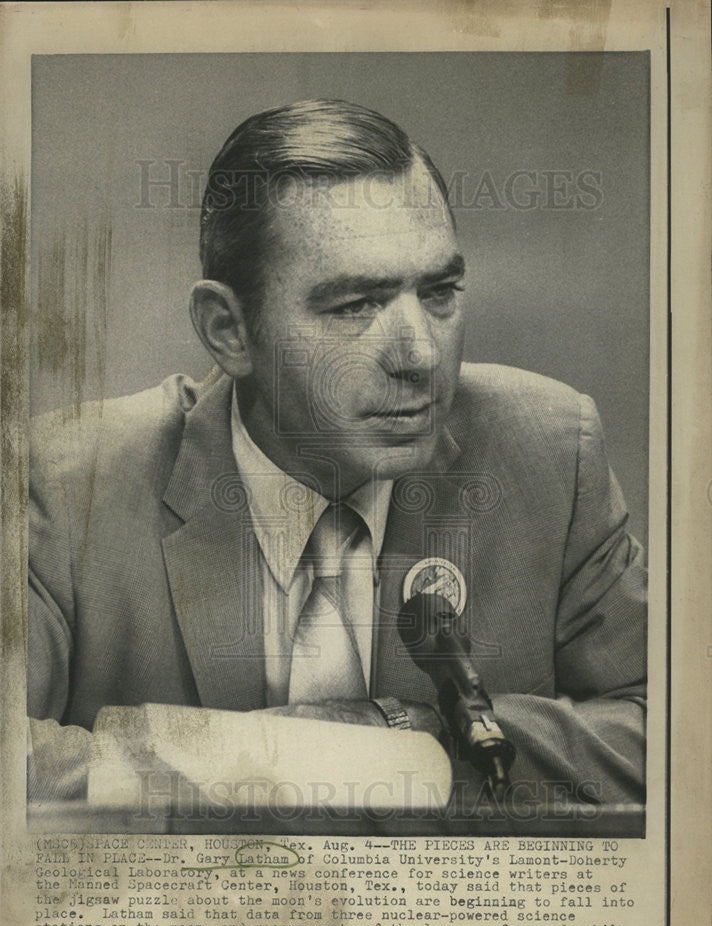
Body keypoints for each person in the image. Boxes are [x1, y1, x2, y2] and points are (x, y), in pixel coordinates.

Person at [27, 99, 646, 806]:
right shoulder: (71, 480)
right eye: (355, 306)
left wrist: (396, 736)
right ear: (229, 330)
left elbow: (671, 731)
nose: (420, 354)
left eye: (440, 292)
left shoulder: (547, 452)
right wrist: (291, 757)